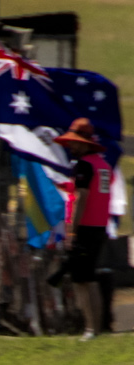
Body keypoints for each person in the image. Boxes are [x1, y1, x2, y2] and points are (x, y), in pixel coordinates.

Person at [50, 118, 114, 341]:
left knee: (81, 281)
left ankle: (90, 329)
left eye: (75, 143)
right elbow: (96, 192)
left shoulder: (84, 165)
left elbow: (82, 197)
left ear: (85, 143)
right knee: (89, 278)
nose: (71, 147)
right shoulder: (103, 166)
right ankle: (95, 327)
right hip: (99, 227)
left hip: (85, 228)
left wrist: (72, 232)